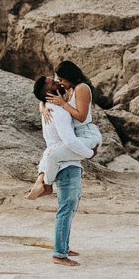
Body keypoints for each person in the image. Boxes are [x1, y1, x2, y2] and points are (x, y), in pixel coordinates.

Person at [27, 76, 92, 265]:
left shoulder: (50, 108)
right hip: (66, 163)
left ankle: (63, 247)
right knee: (66, 208)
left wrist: (43, 105)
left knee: (69, 207)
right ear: (50, 93)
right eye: (54, 83)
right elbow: (69, 141)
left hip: (65, 161)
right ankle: (59, 254)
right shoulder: (58, 112)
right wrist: (88, 154)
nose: (59, 83)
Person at [25, 62, 102, 201]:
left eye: (61, 80)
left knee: (51, 154)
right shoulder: (68, 90)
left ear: (69, 77)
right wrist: (43, 109)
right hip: (77, 134)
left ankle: (46, 185)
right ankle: (40, 183)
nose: (59, 83)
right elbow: (44, 97)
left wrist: (63, 104)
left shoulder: (81, 88)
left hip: (87, 133)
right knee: (48, 152)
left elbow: (81, 116)